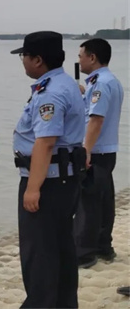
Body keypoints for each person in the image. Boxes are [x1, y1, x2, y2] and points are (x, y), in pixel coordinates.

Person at [11, 31, 86, 309]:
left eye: (24, 56)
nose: (23, 62)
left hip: (47, 183)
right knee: (61, 249)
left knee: (39, 254)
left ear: (38, 60)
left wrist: (32, 188)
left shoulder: (50, 93)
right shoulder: (66, 83)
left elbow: (45, 143)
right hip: (63, 180)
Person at [74, 38, 124, 268]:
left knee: (89, 202)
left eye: (81, 55)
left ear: (92, 57)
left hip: (97, 149)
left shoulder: (101, 83)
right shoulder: (106, 80)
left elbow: (96, 119)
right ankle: (104, 247)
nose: (79, 60)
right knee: (103, 200)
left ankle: (84, 253)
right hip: (106, 149)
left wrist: (85, 150)